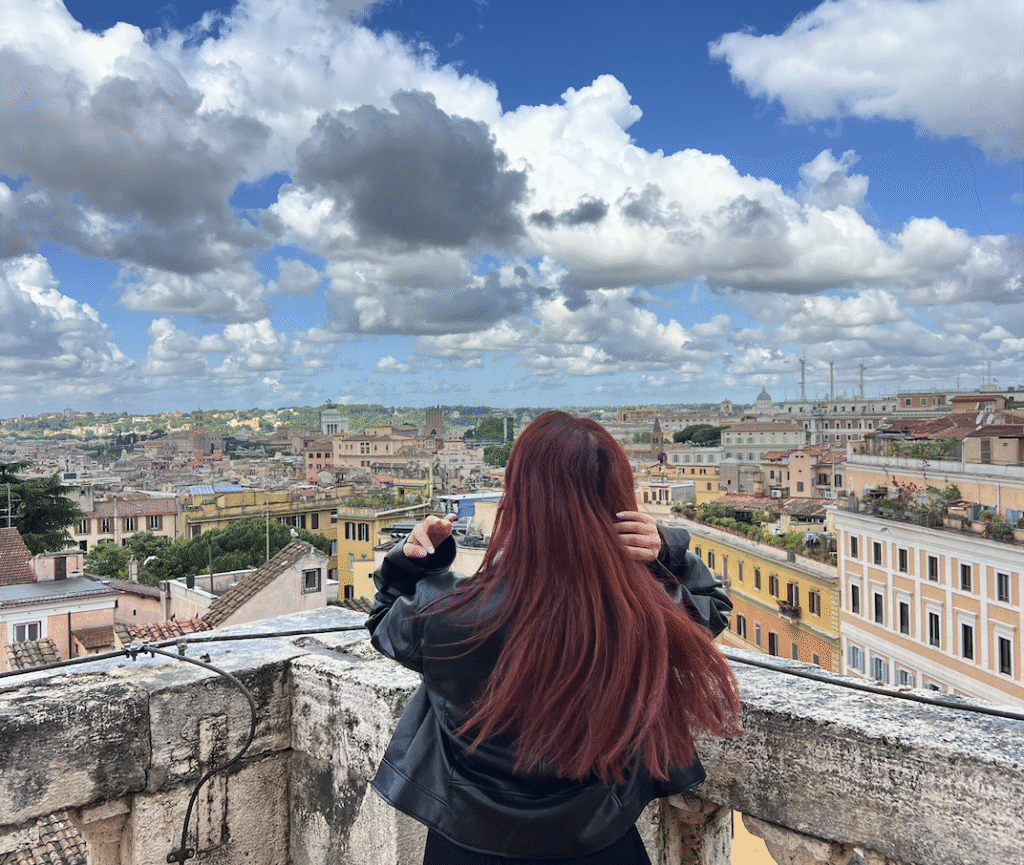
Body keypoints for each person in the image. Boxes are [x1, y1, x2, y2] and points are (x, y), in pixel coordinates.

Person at [366, 411, 741, 864]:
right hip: (600, 843)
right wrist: (666, 549)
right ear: (616, 504)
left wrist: (416, 559)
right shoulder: (643, 614)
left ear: (517, 498)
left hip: (467, 844)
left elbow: (383, 620)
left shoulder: (445, 609)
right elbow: (710, 610)